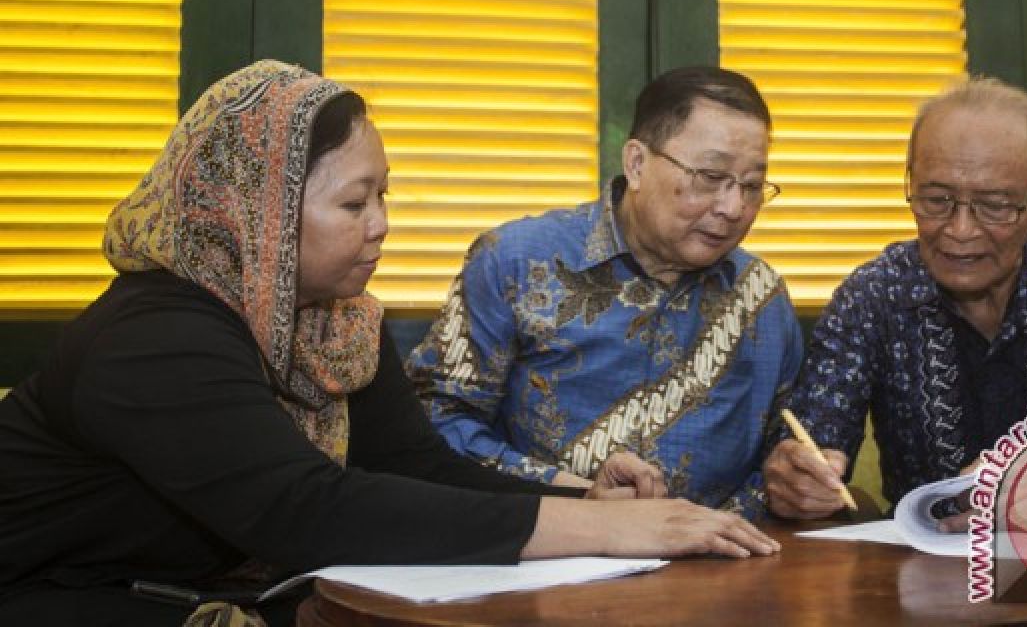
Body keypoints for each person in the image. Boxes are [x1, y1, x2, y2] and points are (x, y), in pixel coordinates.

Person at [0, 61, 779, 627]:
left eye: (384, 196)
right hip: (59, 596)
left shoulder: (334, 322)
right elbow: (306, 512)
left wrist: (582, 500)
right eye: (353, 202)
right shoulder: (156, 336)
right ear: (255, 214)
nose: (381, 225)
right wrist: (611, 530)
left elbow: (416, 466)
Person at [763, 76, 1027, 617]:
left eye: (995, 205)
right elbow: (813, 439)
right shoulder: (872, 293)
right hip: (936, 570)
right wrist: (800, 477)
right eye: (936, 199)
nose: (959, 230)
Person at [405, 66, 803, 516]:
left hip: (717, 563)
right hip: (546, 551)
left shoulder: (761, 296)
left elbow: (786, 446)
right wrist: (573, 493)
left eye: (751, 187)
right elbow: (436, 423)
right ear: (636, 164)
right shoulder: (513, 262)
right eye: (710, 177)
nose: (733, 208)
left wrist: (794, 481)